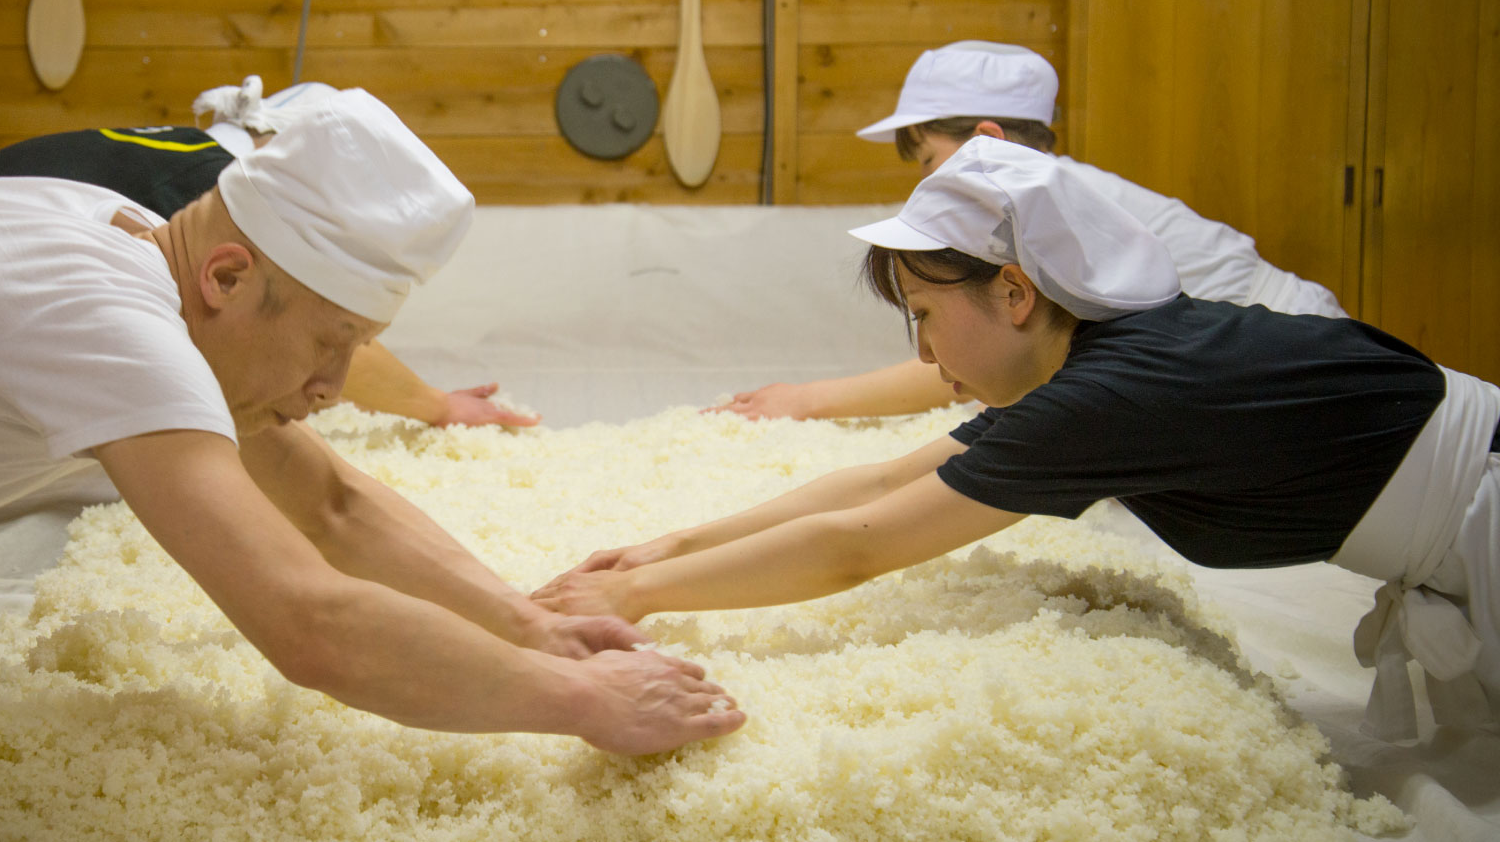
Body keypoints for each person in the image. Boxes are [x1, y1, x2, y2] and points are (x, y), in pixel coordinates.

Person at [0, 89, 743, 789]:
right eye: (331, 343)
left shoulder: (134, 247)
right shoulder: (100, 319)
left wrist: (536, 626)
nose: (339, 386)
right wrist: (583, 706)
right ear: (231, 276)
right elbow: (310, 622)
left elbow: (328, 503)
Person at [535, 136, 1498, 742]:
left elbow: (857, 550)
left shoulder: (1111, 396)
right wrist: (671, 546)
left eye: (922, 312)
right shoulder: (1103, 368)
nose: (921, 350)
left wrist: (631, 597)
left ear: (1015, 291)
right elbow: (879, 481)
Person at [715, 41, 1349, 422]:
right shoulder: (1046, 195)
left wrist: (807, 399)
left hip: (1303, 365)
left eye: (929, 160)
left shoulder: (1038, 210)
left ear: (987, 140)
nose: (923, 186)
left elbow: (977, 351)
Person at [0, 75, 539, 430]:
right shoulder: (208, 202)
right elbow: (322, 334)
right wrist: (436, 406)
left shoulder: (187, 158)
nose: (325, 384)